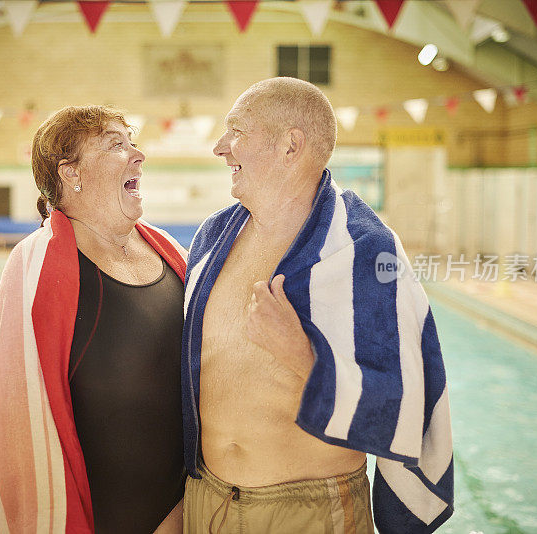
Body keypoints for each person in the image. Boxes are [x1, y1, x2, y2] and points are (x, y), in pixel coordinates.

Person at [181, 77, 454, 533]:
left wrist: (301, 356)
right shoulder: (213, 238)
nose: (220, 147)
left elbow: (405, 405)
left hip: (309, 512)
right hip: (206, 502)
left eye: (237, 132)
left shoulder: (363, 250)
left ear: (291, 145)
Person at [0, 105, 187, 533]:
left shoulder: (168, 250)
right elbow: (19, 422)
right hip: (100, 517)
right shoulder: (36, 265)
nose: (138, 154)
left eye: (132, 142)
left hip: (189, 509)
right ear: (71, 173)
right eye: (115, 145)